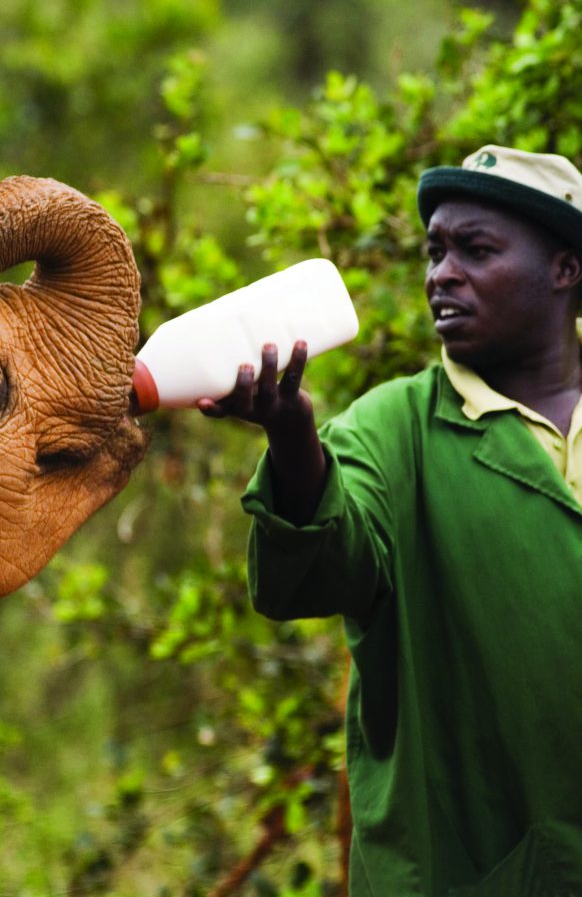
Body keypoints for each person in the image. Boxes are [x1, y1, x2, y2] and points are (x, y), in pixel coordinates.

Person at [200, 145, 582, 896]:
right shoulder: (395, 429)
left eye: (476, 250)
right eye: (435, 251)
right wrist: (293, 440)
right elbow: (317, 567)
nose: (442, 272)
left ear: (565, 269)